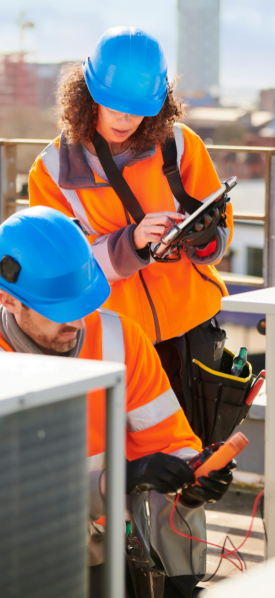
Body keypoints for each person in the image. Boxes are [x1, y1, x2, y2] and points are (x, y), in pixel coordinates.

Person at [0, 206, 234, 598]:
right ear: (7, 300)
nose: (77, 324)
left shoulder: (119, 336)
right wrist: (117, 479)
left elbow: (167, 437)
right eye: (59, 310)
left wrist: (194, 474)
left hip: (103, 540)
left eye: (83, 303)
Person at [28, 26, 234, 421]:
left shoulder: (183, 145)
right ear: (88, 96)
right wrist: (133, 245)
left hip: (192, 327)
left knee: (192, 455)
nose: (126, 119)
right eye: (114, 105)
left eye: (139, 108)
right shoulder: (50, 170)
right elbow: (62, 272)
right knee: (123, 461)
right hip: (110, 336)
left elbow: (219, 234)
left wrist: (205, 240)